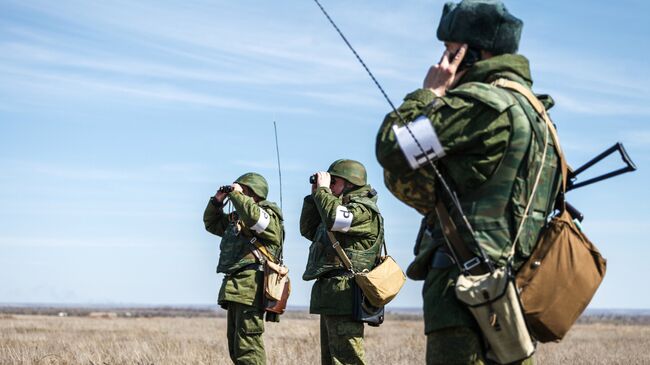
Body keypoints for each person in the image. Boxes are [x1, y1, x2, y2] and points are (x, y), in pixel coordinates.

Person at [375, 1, 562, 364]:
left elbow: (394, 146)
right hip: (515, 291)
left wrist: (430, 92)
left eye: (450, 52)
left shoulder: (481, 106)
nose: (441, 63)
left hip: (465, 291)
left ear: (475, 54)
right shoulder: (539, 117)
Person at [300, 159, 384, 365]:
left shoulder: (364, 211)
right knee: (331, 360)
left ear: (350, 183)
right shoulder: (338, 209)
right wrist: (315, 197)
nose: (328, 186)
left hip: (348, 294)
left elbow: (333, 218)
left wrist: (323, 192)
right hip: (333, 294)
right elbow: (309, 230)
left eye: (333, 181)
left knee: (347, 360)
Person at [203, 172, 284, 365]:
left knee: (248, 347)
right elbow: (212, 224)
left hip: (252, 287)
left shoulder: (268, 215)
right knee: (237, 346)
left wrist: (237, 195)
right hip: (237, 289)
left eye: (242, 189)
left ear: (252, 192)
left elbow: (255, 217)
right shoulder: (237, 219)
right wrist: (216, 202)